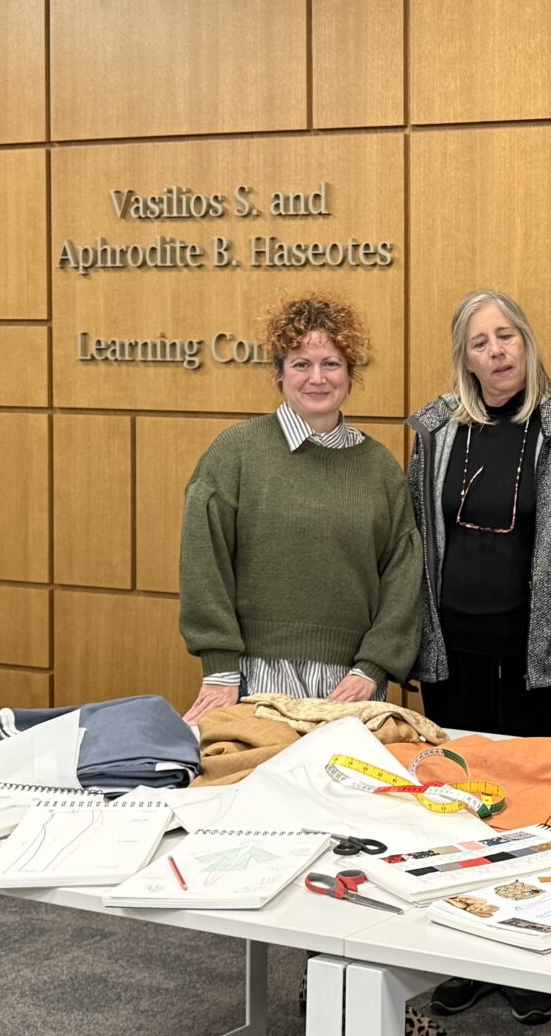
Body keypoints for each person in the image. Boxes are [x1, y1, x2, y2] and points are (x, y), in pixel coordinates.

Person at [406, 288, 551, 1029]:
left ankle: (528, 954)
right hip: (453, 644)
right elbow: (417, 537)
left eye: (507, 335)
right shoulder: (436, 431)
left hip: (539, 649)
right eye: (480, 341)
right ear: (465, 356)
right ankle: (468, 953)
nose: (497, 351)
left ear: (527, 341)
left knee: (536, 807)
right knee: (461, 803)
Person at [178, 293, 423, 723]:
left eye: (331, 363)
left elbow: (403, 574)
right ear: (280, 374)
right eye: (301, 364)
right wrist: (219, 668)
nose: (317, 378)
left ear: (350, 374)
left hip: (352, 685)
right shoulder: (234, 454)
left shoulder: (379, 467)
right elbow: (204, 562)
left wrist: (375, 666)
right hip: (252, 677)